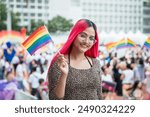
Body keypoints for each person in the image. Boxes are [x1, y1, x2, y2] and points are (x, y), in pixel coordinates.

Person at [48, 19, 102, 100]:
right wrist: (64, 74)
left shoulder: (96, 63)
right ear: (74, 35)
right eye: (83, 36)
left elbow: (99, 94)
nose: (87, 41)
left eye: (91, 38)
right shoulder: (60, 62)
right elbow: (54, 99)